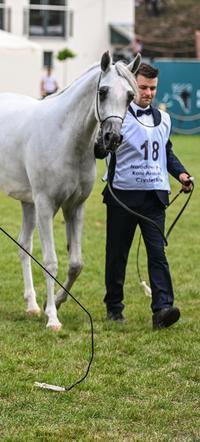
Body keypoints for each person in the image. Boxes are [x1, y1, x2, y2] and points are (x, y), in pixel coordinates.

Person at [96, 63, 193, 329]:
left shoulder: (164, 119)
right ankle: (114, 307)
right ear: (132, 86)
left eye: (152, 88)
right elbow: (99, 151)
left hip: (154, 198)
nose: (148, 93)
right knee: (117, 254)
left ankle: (162, 309)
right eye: (143, 87)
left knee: (157, 254)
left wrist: (182, 174)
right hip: (122, 196)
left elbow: (166, 152)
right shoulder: (117, 117)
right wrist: (104, 144)